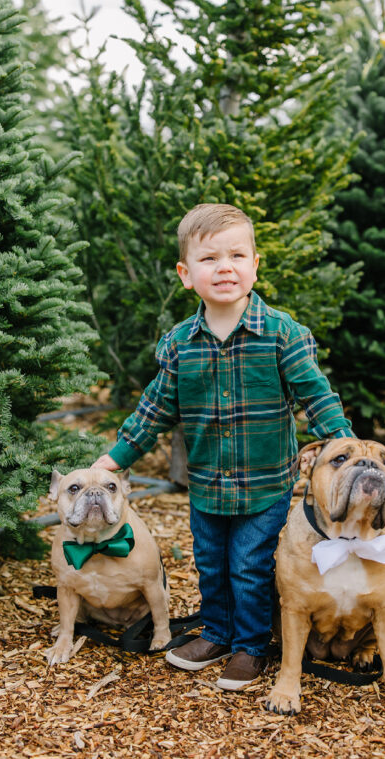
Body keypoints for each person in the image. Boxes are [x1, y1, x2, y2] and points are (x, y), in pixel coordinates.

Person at [93, 203, 354, 691]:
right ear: (186, 274)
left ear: (255, 265)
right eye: (210, 258)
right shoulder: (178, 344)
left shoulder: (283, 334)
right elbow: (153, 412)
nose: (225, 267)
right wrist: (113, 461)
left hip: (266, 483)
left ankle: (251, 646)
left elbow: (315, 395)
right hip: (208, 484)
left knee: (250, 565)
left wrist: (345, 446)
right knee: (211, 562)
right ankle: (216, 632)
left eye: (237, 255)